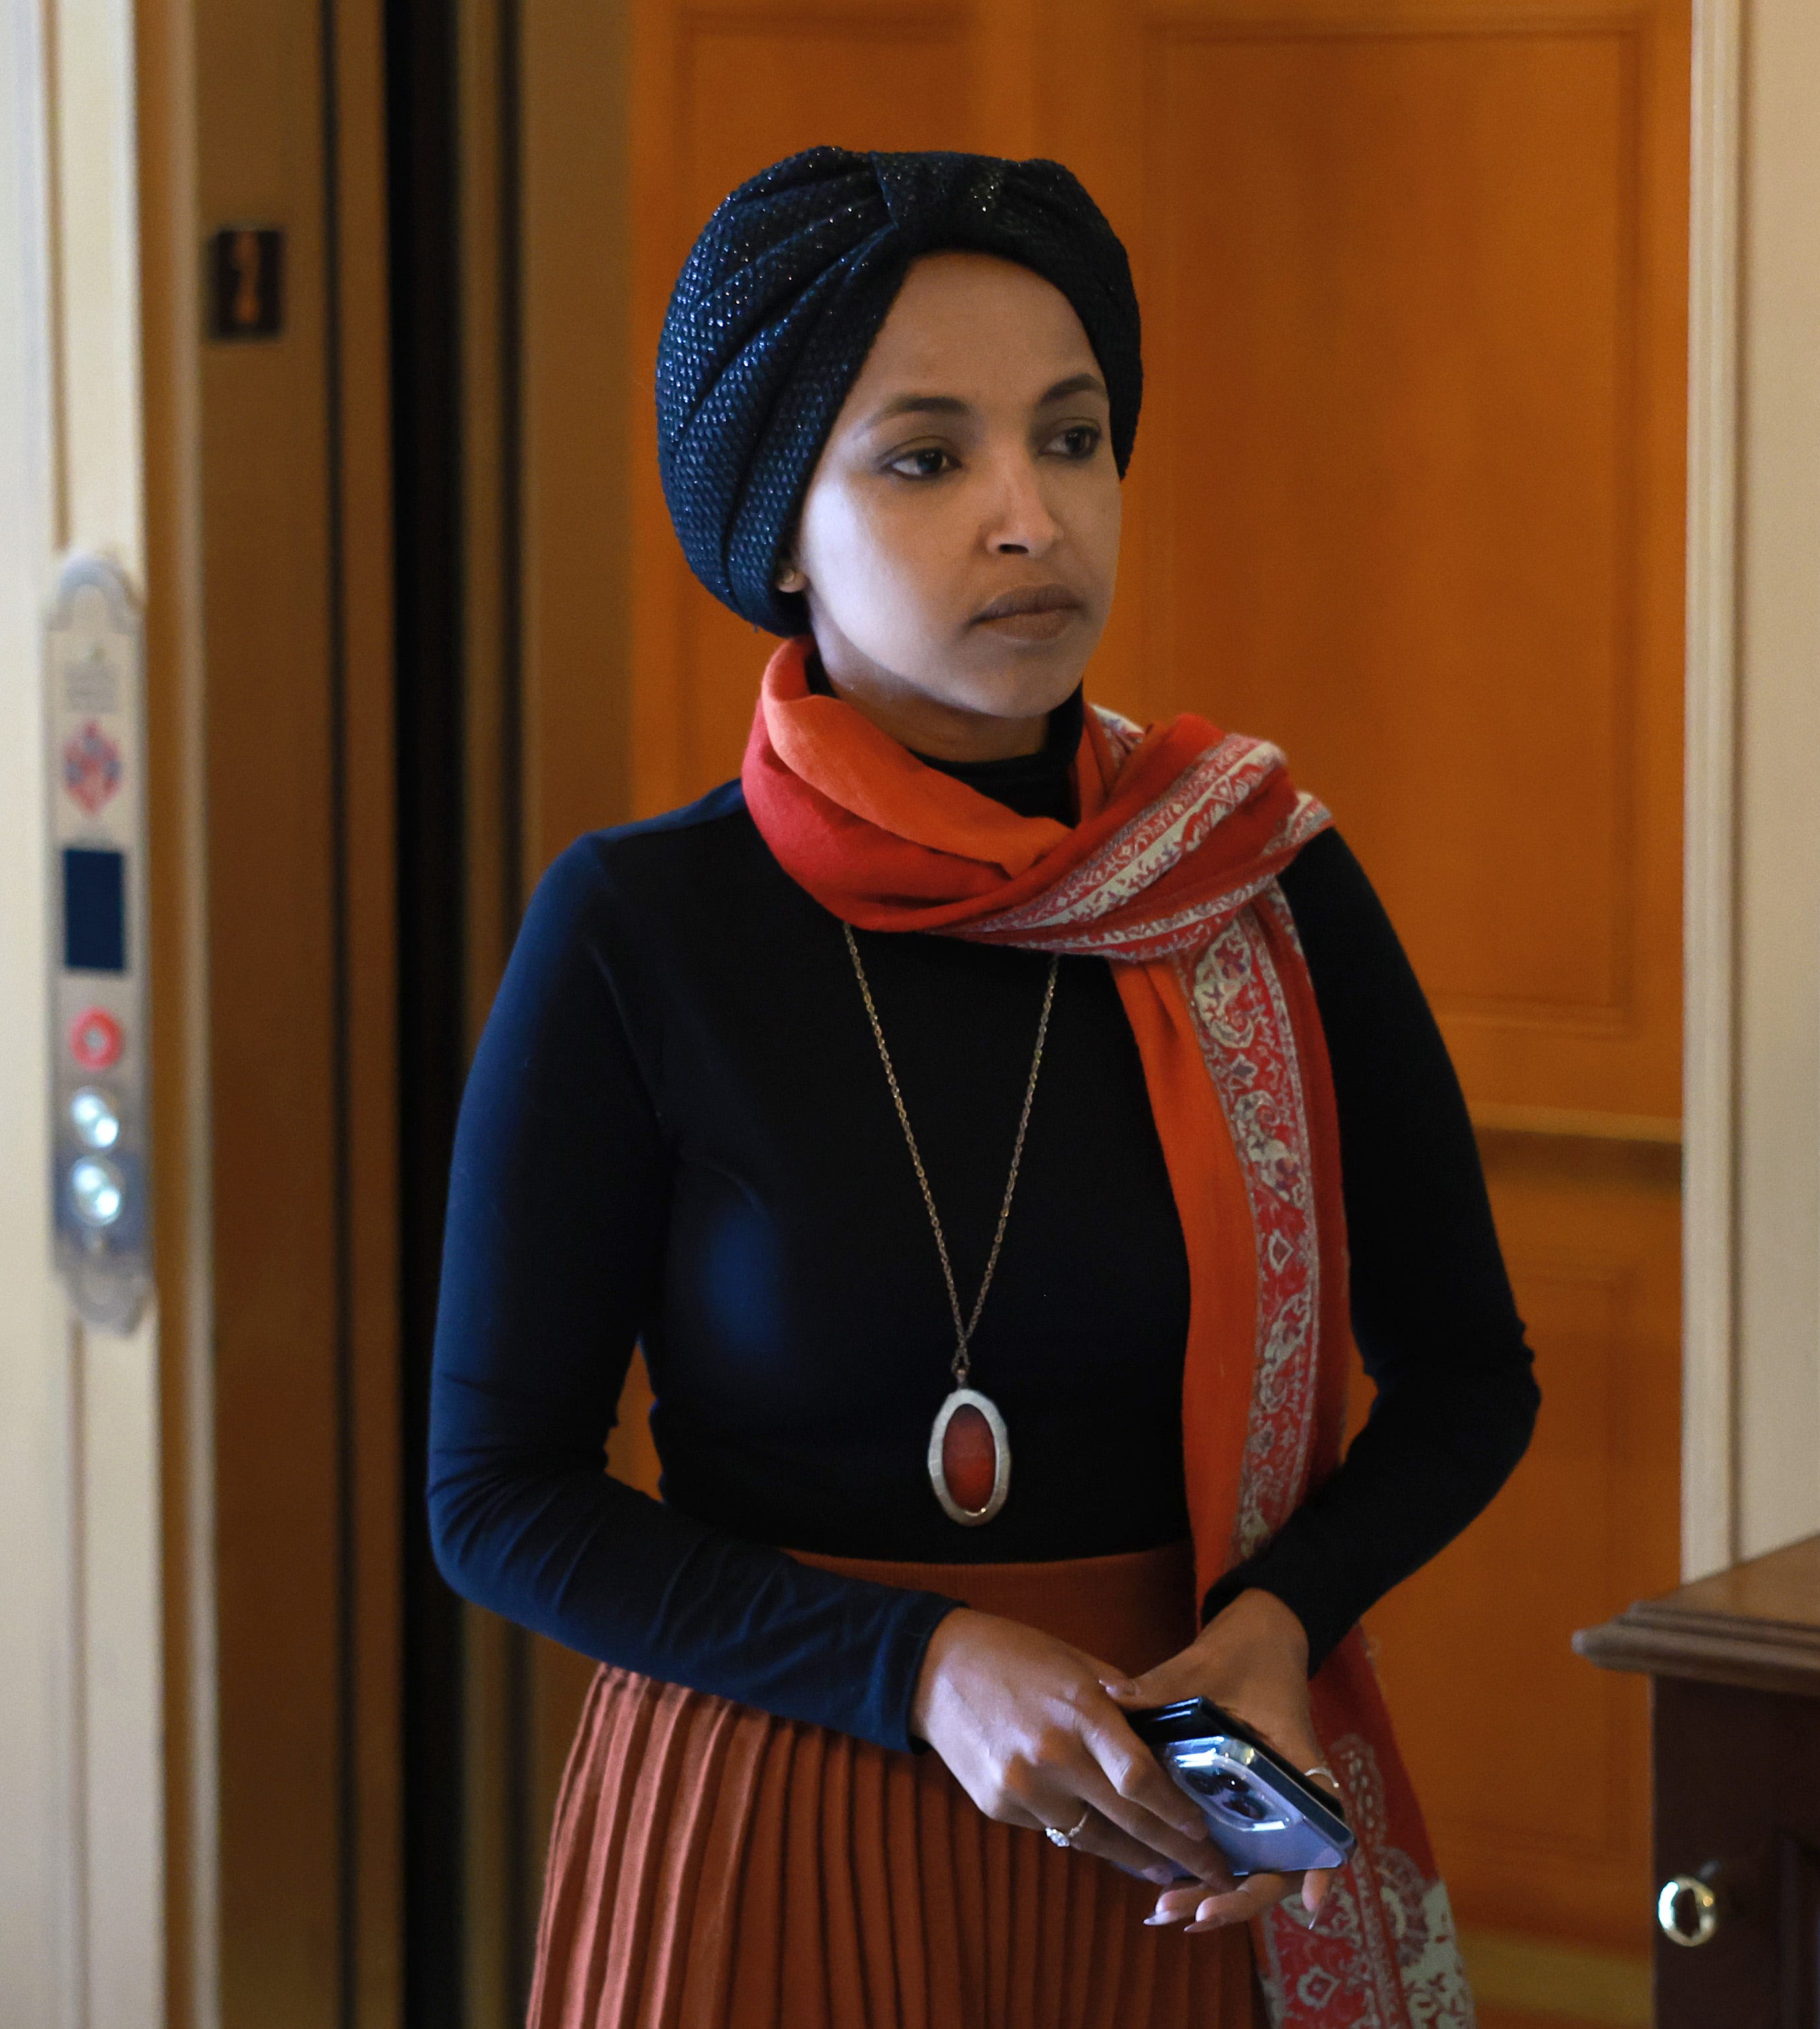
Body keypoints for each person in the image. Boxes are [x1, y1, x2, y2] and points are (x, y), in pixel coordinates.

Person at [427, 147, 1539, 2028]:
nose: (1030, 517)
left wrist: (1279, 1623)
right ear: (781, 523)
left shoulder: (1251, 873)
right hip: (766, 1809)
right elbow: (499, 1496)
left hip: (1167, 1817)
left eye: (1074, 436)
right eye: (927, 456)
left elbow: (1468, 1381)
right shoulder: (640, 922)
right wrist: (919, 1664)